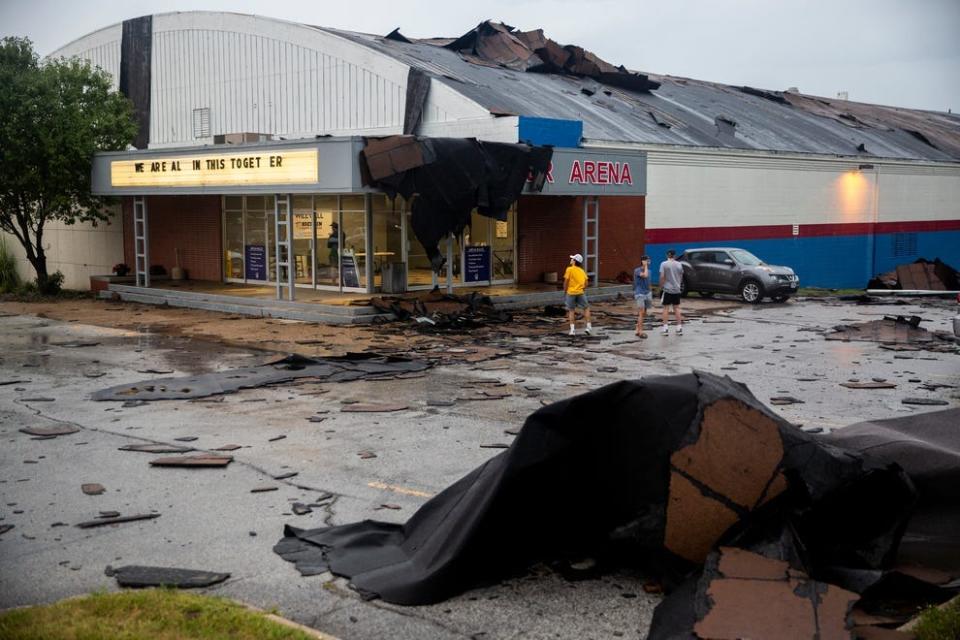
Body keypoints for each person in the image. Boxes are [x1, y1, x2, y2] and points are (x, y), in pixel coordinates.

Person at [563, 253, 592, 336]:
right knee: (586, 308)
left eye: (572, 259)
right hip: (580, 293)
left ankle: (572, 330)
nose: (571, 260)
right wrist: (582, 289)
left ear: (575, 261)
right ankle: (588, 327)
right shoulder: (582, 271)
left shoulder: (569, 269)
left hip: (571, 293)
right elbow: (586, 283)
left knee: (571, 310)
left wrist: (565, 291)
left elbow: (566, 282)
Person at [659, 249, 684, 335]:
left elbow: (662, 276)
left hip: (667, 289)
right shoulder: (679, 264)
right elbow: (681, 276)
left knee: (666, 308)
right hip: (677, 290)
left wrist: (661, 286)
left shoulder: (664, 264)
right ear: (675, 255)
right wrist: (678, 285)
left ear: (667, 255)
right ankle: (679, 328)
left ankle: (665, 329)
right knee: (676, 308)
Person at [633, 254, 652, 338]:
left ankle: (637, 328)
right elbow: (645, 275)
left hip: (647, 293)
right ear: (643, 261)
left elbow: (648, 282)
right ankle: (640, 331)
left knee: (644, 312)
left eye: (649, 260)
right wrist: (645, 266)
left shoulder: (649, 271)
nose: (648, 262)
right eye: (647, 260)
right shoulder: (637, 270)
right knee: (641, 312)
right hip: (640, 293)